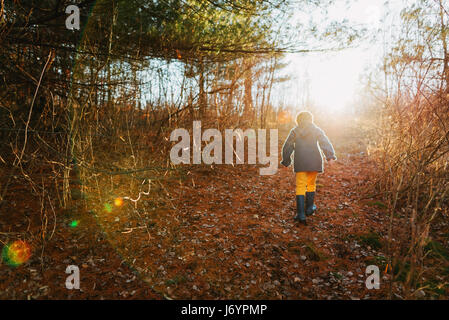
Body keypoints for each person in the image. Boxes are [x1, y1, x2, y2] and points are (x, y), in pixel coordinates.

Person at [280, 111, 337, 224]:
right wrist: (330, 156)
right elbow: (324, 142)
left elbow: (287, 146)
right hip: (314, 161)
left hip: (301, 162)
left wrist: (286, 161)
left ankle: (301, 214)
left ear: (298, 120)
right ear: (311, 119)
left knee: (301, 185)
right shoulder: (316, 129)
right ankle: (310, 208)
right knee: (311, 184)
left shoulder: (295, 131)